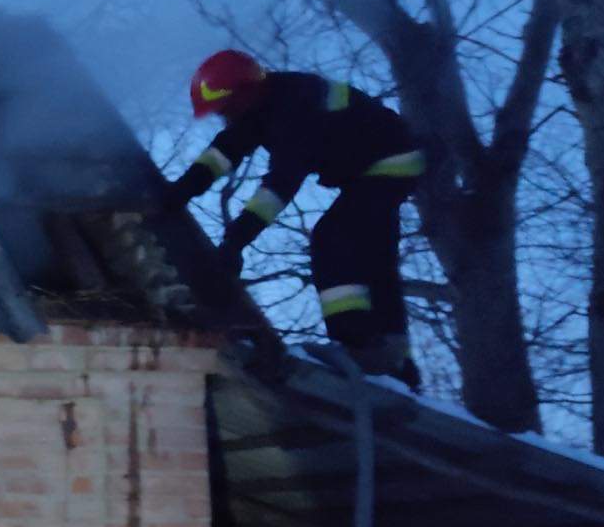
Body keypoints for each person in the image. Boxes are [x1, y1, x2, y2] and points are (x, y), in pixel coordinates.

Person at [164, 49, 425, 389]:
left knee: (334, 238)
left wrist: (236, 239)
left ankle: (358, 345)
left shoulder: (293, 106)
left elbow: (281, 184)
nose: (225, 117)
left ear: (246, 92)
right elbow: (224, 151)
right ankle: (397, 361)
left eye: (226, 109)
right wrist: (181, 190)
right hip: (376, 167)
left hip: (390, 162)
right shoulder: (260, 107)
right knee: (375, 259)